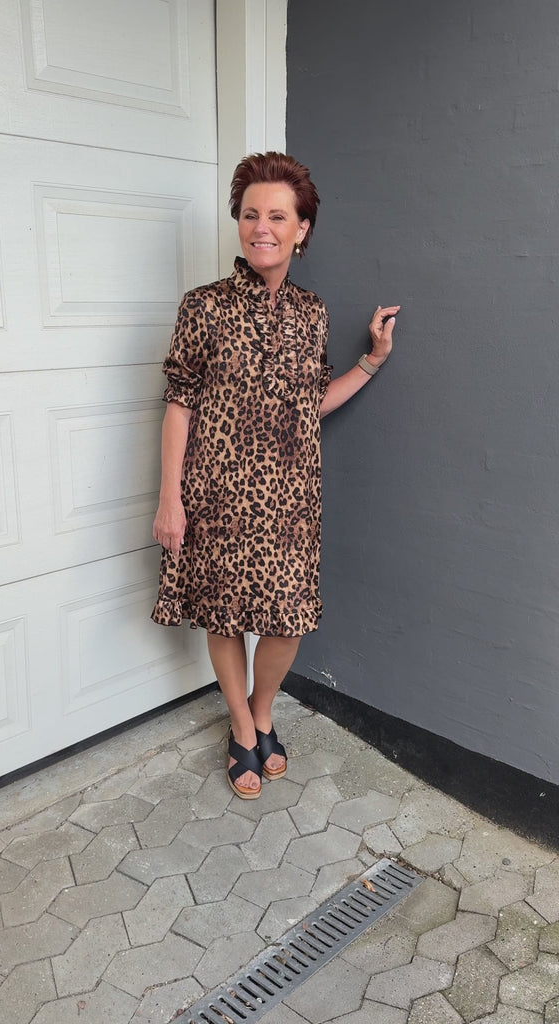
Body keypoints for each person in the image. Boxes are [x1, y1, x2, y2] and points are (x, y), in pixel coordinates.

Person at [152, 152, 399, 799]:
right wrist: (171, 498)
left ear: (301, 229)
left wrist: (372, 361)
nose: (261, 227)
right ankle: (242, 727)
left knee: (287, 621)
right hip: (216, 495)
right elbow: (179, 404)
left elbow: (310, 403)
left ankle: (263, 711)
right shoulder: (202, 307)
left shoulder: (312, 313)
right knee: (226, 617)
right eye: (250, 214)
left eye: (278, 216)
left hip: (291, 498)